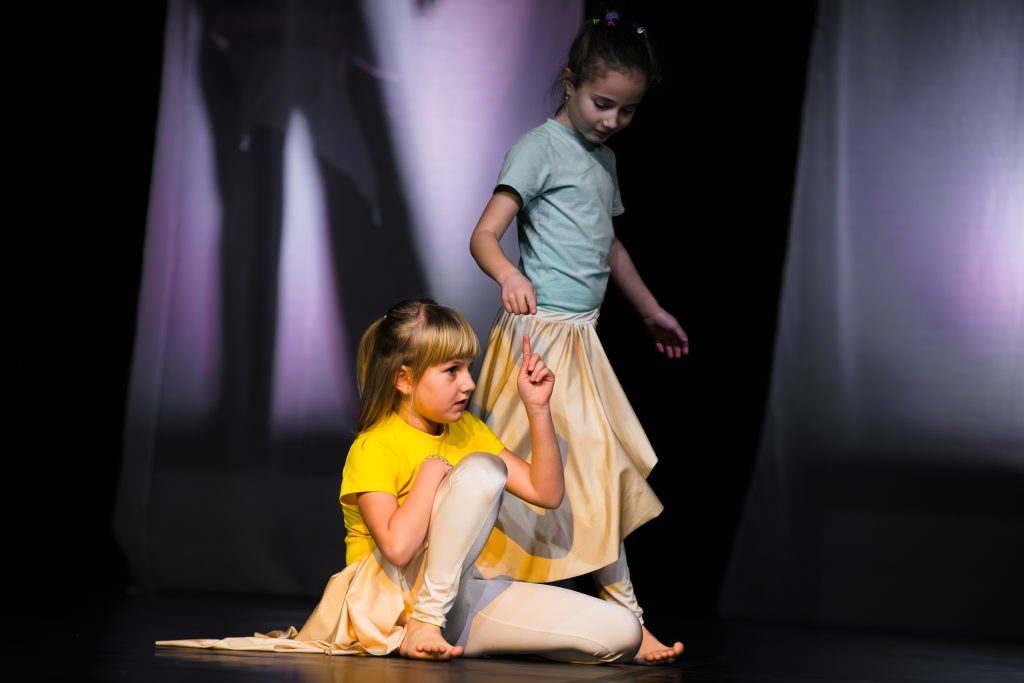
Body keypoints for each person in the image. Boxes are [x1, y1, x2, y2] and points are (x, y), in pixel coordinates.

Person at [157, 299, 642, 662]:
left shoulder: (466, 430)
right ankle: (421, 628)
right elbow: (398, 548)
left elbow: (546, 493)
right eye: (451, 371)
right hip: (383, 604)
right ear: (405, 380)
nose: (469, 384)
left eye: (468, 368)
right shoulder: (375, 446)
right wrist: (430, 480)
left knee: (623, 633)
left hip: (451, 598)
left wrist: (538, 409)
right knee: (483, 470)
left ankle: (436, 630)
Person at [468, 10, 687, 665]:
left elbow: (609, 246)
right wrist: (509, 274)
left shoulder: (604, 160)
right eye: (602, 103)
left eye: (628, 110)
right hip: (538, 341)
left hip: (580, 342)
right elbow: (485, 233)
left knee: (594, 476)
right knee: (521, 476)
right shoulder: (538, 147)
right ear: (570, 82)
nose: (612, 120)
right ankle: (454, 599)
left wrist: (650, 310)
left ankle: (626, 619)